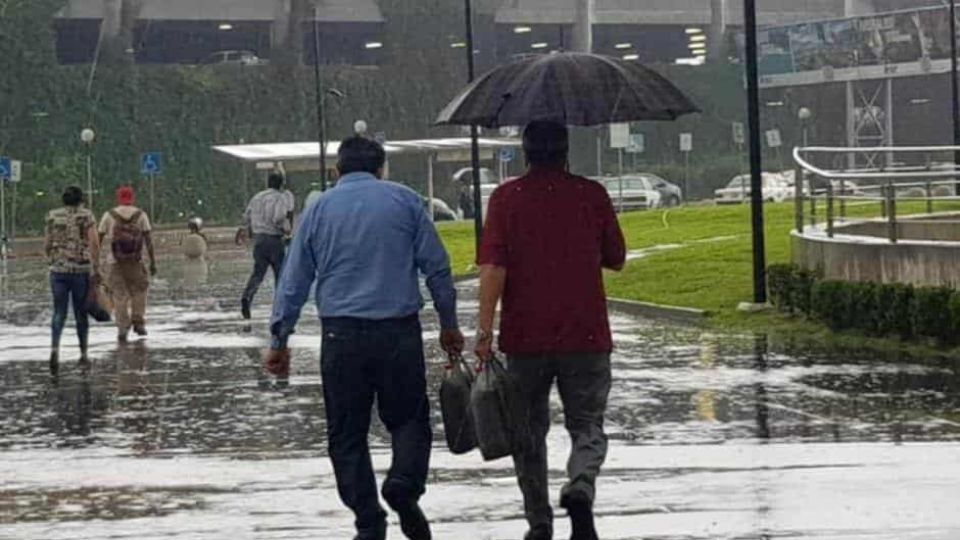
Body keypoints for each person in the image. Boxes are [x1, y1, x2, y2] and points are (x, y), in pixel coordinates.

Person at [265, 136, 465, 540]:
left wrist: (279, 339)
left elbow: (295, 279)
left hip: (341, 336)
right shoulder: (406, 201)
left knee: (346, 433)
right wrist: (448, 323)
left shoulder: (318, 208)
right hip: (399, 332)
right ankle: (404, 486)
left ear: (337, 171)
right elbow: (438, 269)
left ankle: (368, 519)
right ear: (381, 169)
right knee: (409, 419)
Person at [474, 121, 627, 540]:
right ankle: (580, 482)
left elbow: (493, 269)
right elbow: (617, 258)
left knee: (527, 432)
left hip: (526, 338)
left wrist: (484, 333)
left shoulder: (506, 198)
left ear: (525, 154)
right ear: (565, 153)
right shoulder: (591, 194)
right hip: (587, 333)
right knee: (588, 424)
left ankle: (539, 523)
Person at [44, 186, 100, 373]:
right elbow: (94, 243)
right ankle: (83, 354)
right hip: (80, 270)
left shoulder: (52, 215)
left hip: (58, 271)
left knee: (58, 312)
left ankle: (54, 350)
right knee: (80, 313)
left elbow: (47, 243)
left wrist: (52, 259)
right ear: (80, 200)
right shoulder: (86, 216)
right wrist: (96, 267)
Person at [99, 186, 157, 343]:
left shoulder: (109, 215)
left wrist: (96, 261)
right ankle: (138, 321)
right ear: (133, 198)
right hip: (135, 261)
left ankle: (122, 327)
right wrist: (152, 262)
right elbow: (148, 240)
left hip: (114, 261)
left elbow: (99, 238)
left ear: (118, 198)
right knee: (140, 290)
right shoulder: (141, 215)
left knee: (119, 294)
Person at [239, 172, 294, 320]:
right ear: (281, 184)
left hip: (259, 240)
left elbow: (247, 216)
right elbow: (278, 217)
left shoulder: (257, 197)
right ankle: (279, 308)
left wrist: (249, 232)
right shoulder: (280, 198)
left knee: (258, 273)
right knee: (280, 275)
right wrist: (285, 230)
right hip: (274, 240)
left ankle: (247, 296)